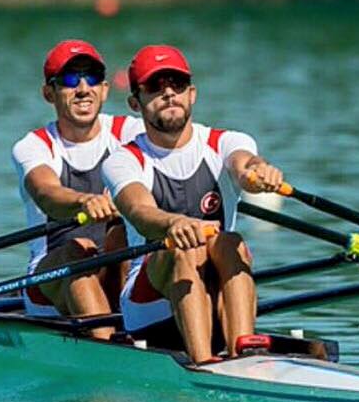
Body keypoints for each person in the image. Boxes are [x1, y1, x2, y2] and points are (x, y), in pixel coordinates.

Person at [102, 45, 284, 363]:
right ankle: (203, 364)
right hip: (151, 311)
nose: (169, 93)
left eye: (177, 83)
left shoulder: (226, 142)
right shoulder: (123, 160)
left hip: (214, 298)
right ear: (135, 103)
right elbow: (140, 212)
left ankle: (245, 354)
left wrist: (257, 173)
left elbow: (244, 164)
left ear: (192, 94)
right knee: (184, 249)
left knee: (230, 242)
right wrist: (174, 223)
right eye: (155, 86)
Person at [12, 39, 143, 339]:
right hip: (50, 284)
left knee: (123, 237)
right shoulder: (34, 146)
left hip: (117, 272)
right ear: (49, 93)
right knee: (79, 249)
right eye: (71, 80)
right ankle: (108, 347)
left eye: (92, 77)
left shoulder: (131, 132)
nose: (83, 88)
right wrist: (85, 201)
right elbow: (46, 193)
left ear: (105, 89)